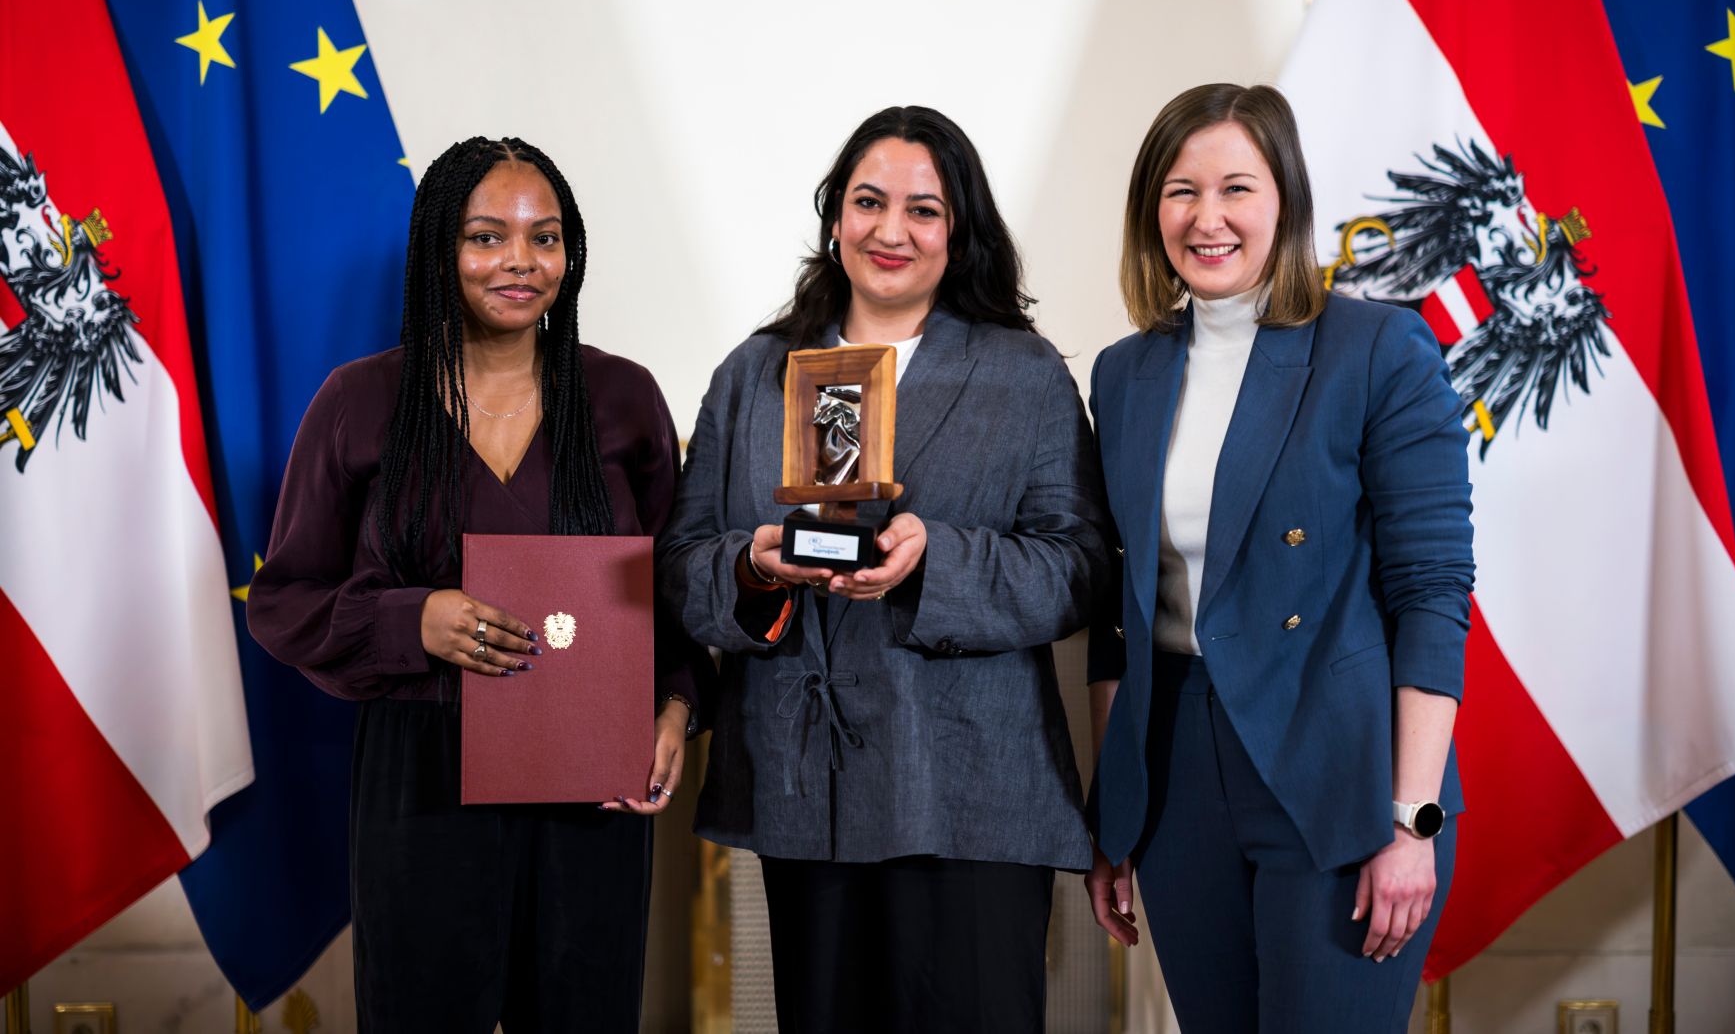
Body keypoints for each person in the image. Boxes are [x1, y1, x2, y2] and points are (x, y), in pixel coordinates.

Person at [658, 106, 1105, 1034]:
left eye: (923, 209)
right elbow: (682, 561)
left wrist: (934, 557)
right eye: (868, 202)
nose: (890, 230)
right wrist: (753, 567)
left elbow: (1080, 566)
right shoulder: (754, 373)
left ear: (960, 233)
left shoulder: (1025, 376)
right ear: (835, 217)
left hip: (972, 794)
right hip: (803, 786)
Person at [247, 137, 709, 1033]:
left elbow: (676, 588)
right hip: (422, 774)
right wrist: (410, 618)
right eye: (487, 236)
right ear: (439, 250)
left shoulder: (623, 398)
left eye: (545, 237)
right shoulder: (359, 401)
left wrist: (675, 709)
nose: (520, 261)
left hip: (590, 775)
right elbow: (284, 601)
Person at [1082, 84, 1474, 1032]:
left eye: (1236, 188)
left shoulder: (1376, 348)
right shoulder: (1123, 373)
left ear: (1286, 200)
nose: (1206, 217)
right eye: (1181, 191)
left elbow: (1432, 592)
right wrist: (1115, 812)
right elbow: (1115, 609)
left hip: (1343, 774)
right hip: (1177, 768)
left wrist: (1411, 817)